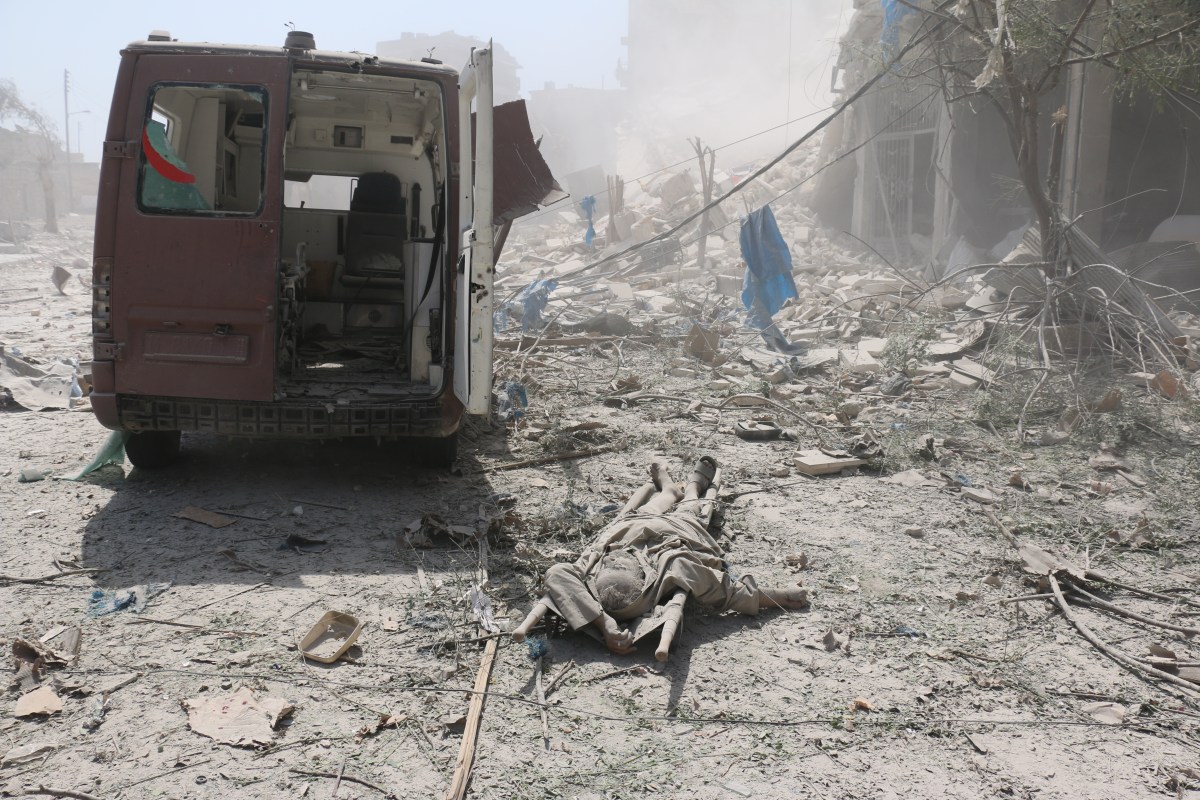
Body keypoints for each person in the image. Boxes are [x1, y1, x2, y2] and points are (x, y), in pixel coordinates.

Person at [542, 457, 808, 654]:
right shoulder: (674, 566)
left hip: (630, 526)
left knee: (652, 506)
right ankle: (692, 490)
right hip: (677, 530)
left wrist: (604, 622)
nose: (616, 558)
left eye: (613, 564)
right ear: (642, 579)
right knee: (690, 510)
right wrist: (779, 597)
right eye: (622, 564)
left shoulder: (592, 579)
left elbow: (557, 573)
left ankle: (669, 488)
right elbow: (729, 592)